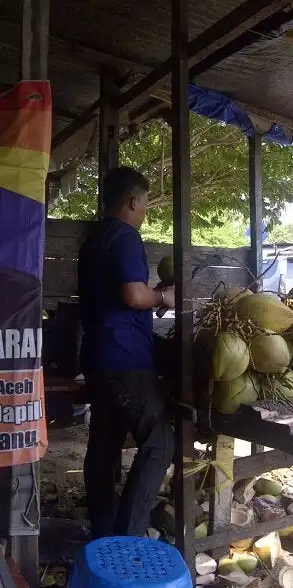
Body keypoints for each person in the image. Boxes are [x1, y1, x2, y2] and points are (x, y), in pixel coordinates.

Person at [78, 166, 175, 539]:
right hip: (124, 360)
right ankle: (129, 535)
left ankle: (102, 530)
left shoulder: (94, 239)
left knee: (105, 440)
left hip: (97, 357)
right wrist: (163, 297)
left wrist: (153, 296)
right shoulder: (126, 236)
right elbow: (134, 295)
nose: (146, 208)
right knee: (159, 440)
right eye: (146, 201)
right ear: (133, 201)